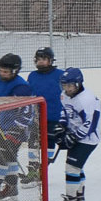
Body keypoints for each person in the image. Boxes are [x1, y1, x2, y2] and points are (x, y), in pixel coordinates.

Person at [0, 53, 36, 201]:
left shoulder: (21, 86)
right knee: (9, 156)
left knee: (1, 153)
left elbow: (28, 111)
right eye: (1, 70)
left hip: (19, 127)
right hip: (4, 124)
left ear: (15, 71)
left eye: (6, 71)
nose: (2, 74)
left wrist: (17, 128)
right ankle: (11, 188)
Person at [52, 67, 101, 201]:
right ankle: (79, 199)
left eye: (70, 85)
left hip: (88, 138)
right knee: (76, 167)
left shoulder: (86, 99)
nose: (67, 89)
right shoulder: (64, 95)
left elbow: (91, 124)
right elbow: (65, 111)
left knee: (72, 167)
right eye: (64, 85)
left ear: (78, 84)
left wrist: (73, 137)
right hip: (75, 134)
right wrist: (61, 126)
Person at [26, 47, 64, 183]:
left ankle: (42, 170)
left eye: (44, 59)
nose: (41, 62)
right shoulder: (32, 76)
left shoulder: (60, 74)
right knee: (33, 142)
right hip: (36, 117)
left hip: (54, 116)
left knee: (49, 142)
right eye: (39, 59)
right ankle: (32, 171)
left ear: (50, 60)